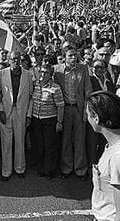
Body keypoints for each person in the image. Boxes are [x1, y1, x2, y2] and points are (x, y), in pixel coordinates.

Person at [54, 44, 92, 180]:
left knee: (79, 140)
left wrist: (86, 112)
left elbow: (88, 91)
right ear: (64, 57)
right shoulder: (57, 71)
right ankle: (66, 168)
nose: (73, 57)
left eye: (75, 55)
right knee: (65, 140)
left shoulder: (83, 69)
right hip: (65, 109)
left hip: (78, 108)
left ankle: (81, 169)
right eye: (70, 55)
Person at [0, 50, 33, 181]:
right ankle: (6, 171)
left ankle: (20, 168)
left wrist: (29, 115)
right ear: (8, 60)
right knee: (6, 142)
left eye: (17, 59)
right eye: (12, 59)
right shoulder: (2, 74)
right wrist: (0, 111)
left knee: (20, 141)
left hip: (21, 112)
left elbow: (31, 96)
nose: (15, 61)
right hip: (6, 112)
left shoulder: (28, 75)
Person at [86, 91, 120, 221]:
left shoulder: (117, 156)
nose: (87, 119)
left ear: (96, 117)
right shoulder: (111, 147)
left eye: (88, 115)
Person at [31, 64, 64, 179]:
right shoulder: (34, 84)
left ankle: (49, 170)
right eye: (42, 71)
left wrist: (59, 122)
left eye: (46, 72)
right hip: (36, 119)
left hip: (50, 119)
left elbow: (60, 106)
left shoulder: (55, 87)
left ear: (51, 75)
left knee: (50, 146)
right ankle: (41, 168)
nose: (43, 74)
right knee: (39, 145)